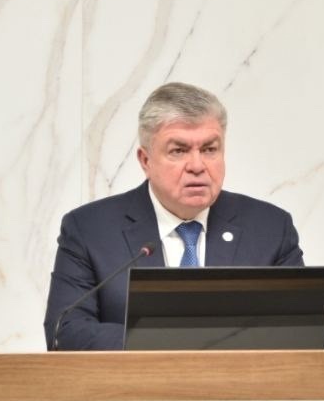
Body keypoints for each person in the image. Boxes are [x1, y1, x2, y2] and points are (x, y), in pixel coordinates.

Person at [44, 82, 304, 350]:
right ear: (145, 161)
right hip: (136, 379)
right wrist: (174, 340)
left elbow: (302, 334)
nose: (197, 166)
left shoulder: (270, 229)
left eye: (209, 149)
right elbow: (64, 332)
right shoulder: (90, 230)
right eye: (178, 151)